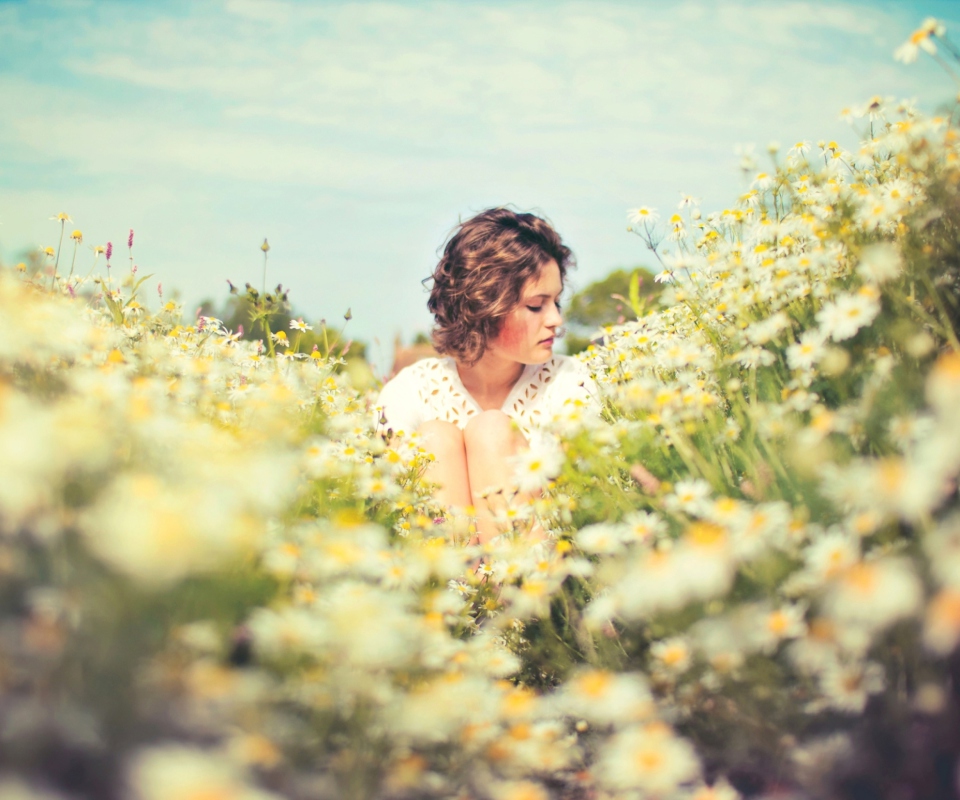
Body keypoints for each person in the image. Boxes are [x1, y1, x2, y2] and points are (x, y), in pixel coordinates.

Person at [375, 207, 599, 542]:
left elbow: (583, 501)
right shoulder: (410, 390)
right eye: (537, 306)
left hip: (543, 578)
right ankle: (471, 591)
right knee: (434, 437)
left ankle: (502, 590)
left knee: (492, 430)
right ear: (483, 305)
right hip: (439, 579)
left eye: (557, 303)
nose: (556, 320)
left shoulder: (571, 381)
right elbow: (384, 501)